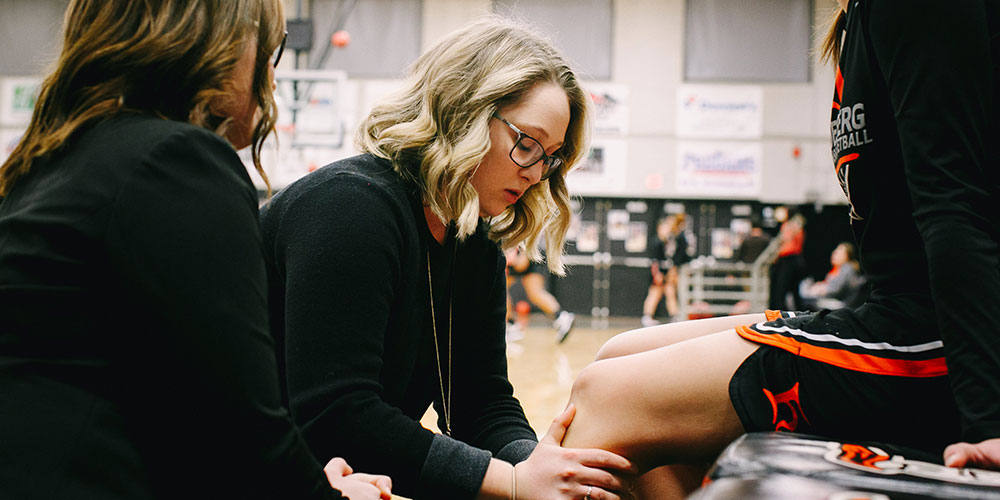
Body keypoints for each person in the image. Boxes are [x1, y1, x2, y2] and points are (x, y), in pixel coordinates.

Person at [555, 0, 1000, 497]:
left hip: (938, 339)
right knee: (617, 355)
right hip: (892, 314)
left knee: (606, 399)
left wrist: (988, 420)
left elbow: (956, 209)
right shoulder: (857, 19)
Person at [0, 1, 391, 499]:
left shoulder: (49, 164)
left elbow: (171, 407)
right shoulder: (174, 160)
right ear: (224, 46)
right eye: (269, 54)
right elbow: (241, 430)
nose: (270, 82)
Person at [259, 17, 635, 500]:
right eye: (527, 143)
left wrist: (544, 468)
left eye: (551, 156)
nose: (539, 174)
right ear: (463, 111)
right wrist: (515, 483)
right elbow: (337, 416)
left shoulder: (473, 238)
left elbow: (481, 404)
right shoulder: (350, 206)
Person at [505, 245, 576, 343]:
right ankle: (561, 317)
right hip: (528, 252)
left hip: (525, 251)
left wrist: (519, 255)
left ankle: (510, 326)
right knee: (534, 293)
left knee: (502, 290)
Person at [641, 214, 691, 327]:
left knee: (670, 292)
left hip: (666, 272)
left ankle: (674, 316)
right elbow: (654, 261)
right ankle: (647, 316)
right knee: (654, 293)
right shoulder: (657, 242)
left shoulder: (669, 241)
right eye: (665, 228)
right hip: (658, 272)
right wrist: (657, 274)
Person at [799, 242, 866, 310]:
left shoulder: (847, 268)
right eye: (835, 252)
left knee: (809, 301)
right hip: (834, 300)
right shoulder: (837, 269)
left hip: (842, 304)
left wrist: (820, 290)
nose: (834, 254)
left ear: (847, 257)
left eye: (838, 253)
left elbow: (836, 290)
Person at [767, 210, 806, 310]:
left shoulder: (794, 225)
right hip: (787, 260)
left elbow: (788, 240)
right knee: (781, 291)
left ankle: (784, 313)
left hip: (791, 259)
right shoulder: (790, 225)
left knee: (786, 290)